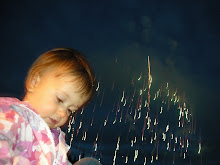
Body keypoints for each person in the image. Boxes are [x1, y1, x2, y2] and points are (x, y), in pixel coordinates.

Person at [0, 48, 101, 165]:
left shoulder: (55, 139)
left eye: (70, 110)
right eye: (60, 100)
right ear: (34, 82)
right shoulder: (11, 115)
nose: (63, 114)